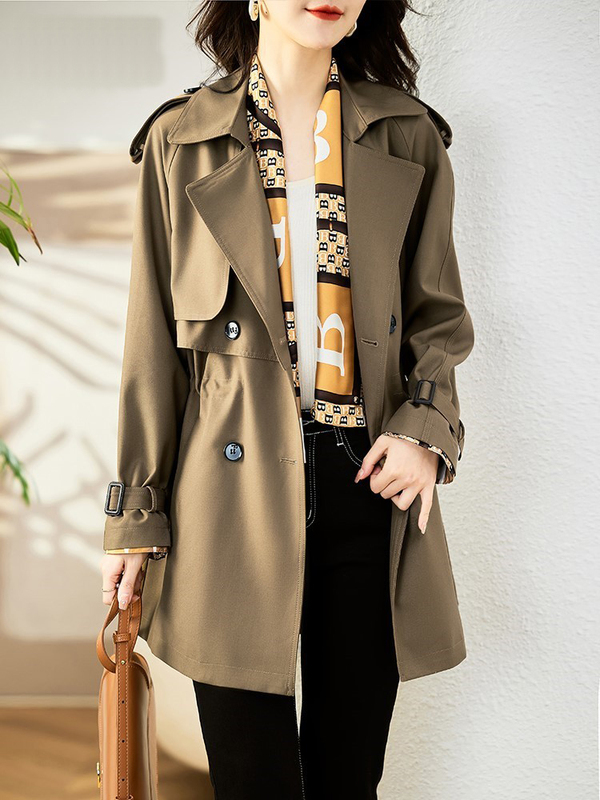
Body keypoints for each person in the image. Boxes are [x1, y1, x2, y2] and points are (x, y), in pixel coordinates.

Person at [100, 1, 475, 797]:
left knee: (348, 780)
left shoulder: (406, 136)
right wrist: (135, 516)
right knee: (251, 782)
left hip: (366, 483)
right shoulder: (179, 141)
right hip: (225, 497)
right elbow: (151, 350)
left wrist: (424, 431)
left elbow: (439, 319)